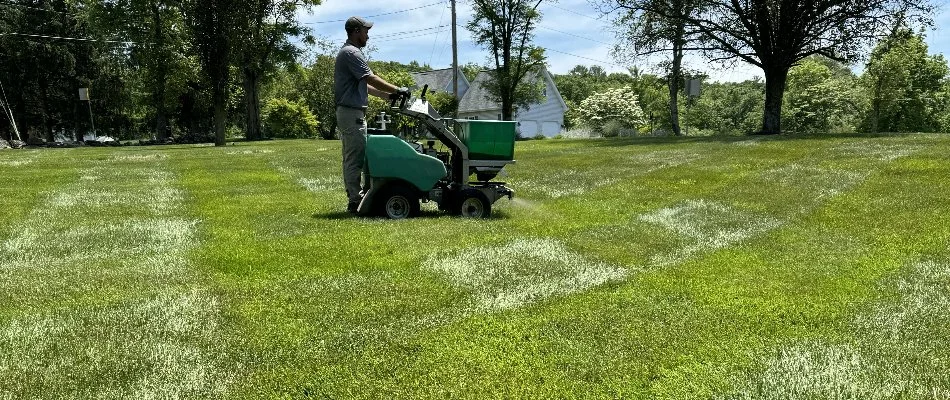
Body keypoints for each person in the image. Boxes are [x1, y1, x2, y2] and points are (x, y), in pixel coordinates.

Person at [335, 16, 409, 213]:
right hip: (351, 112)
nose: (368, 35)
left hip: (352, 112)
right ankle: (354, 201)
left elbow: (364, 84)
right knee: (354, 158)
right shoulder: (351, 53)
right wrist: (397, 90)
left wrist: (386, 95)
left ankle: (357, 197)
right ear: (356, 31)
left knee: (356, 156)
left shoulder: (350, 52)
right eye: (366, 31)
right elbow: (371, 78)